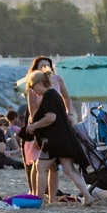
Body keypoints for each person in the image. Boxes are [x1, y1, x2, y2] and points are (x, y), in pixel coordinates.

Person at [25, 69, 95, 205]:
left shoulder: (48, 96)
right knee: (70, 170)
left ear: (40, 83)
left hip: (53, 140)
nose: (34, 91)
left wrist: (34, 126)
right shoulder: (55, 95)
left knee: (40, 167)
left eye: (33, 87)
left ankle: (38, 199)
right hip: (64, 139)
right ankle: (88, 197)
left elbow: (51, 117)